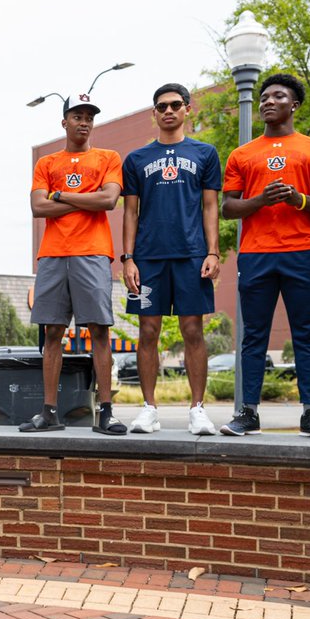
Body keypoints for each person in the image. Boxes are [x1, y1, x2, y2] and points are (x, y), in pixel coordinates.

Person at [220, 73, 310, 438]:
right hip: (255, 254)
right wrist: (261, 200)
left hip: (302, 251)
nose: (268, 102)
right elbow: (228, 208)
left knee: (306, 333)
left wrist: (297, 199)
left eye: (278, 96)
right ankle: (248, 413)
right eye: (264, 97)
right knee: (253, 336)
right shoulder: (242, 154)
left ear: (295, 105)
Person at [120, 83, 222, 435]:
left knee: (193, 330)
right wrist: (128, 259)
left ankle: (198, 409)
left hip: (192, 255)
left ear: (187, 109)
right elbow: (130, 212)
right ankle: (149, 409)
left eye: (175, 104)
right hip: (148, 258)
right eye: (161, 106)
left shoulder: (205, 153)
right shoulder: (136, 159)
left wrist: (213, 251)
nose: (168, 111)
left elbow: (211, 206)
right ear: (154, 113)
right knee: (148, 331)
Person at [26, 93, 125, 434]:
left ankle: (106, 412)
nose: (84, 121)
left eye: (89, 116)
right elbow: (38, 207)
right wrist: (87, 200)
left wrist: (61, 196)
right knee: (53, 331)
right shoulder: (47, 163)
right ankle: (49, 412)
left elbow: (109, 199)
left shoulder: (108, 157)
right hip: (53, 253)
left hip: (93, 251)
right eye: (77, 115)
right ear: (64, 122)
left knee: (98, 329)